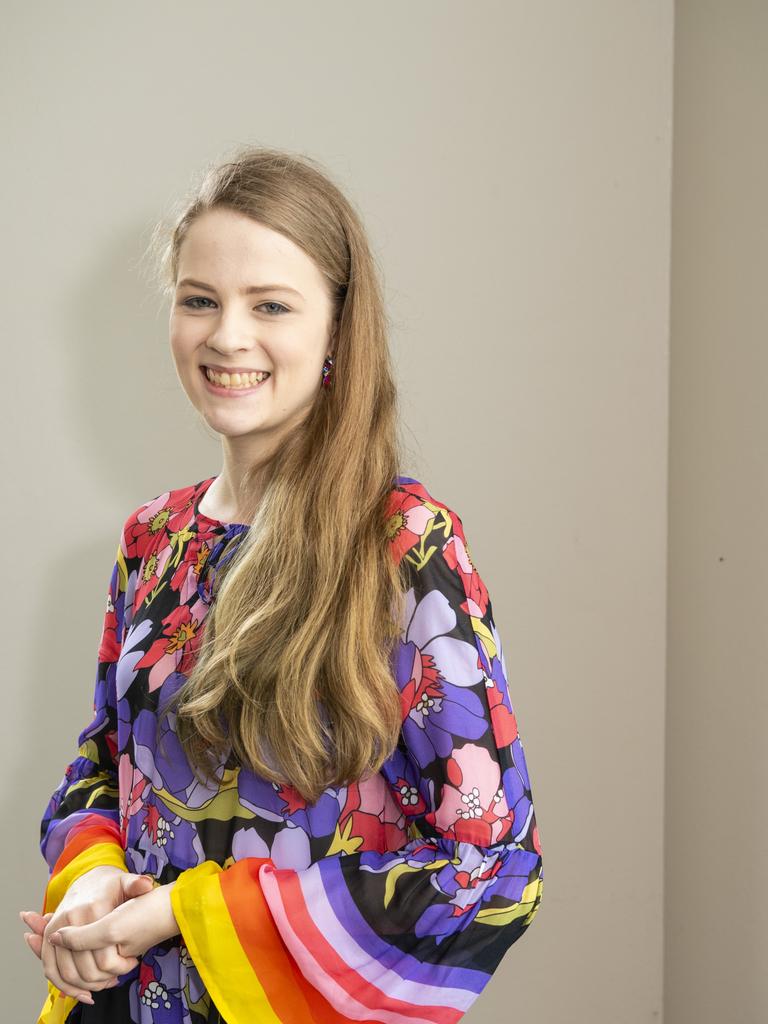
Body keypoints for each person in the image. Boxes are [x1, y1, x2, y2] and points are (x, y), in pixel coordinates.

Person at [20, 145, 544, 1024]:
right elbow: (103, 764)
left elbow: (490, 868)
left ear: (337, 330)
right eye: (199, 300)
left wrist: (187, 912)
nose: (228, 335)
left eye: (270, 305)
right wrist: (95, 879)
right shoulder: (154, 540)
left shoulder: (407, 546)